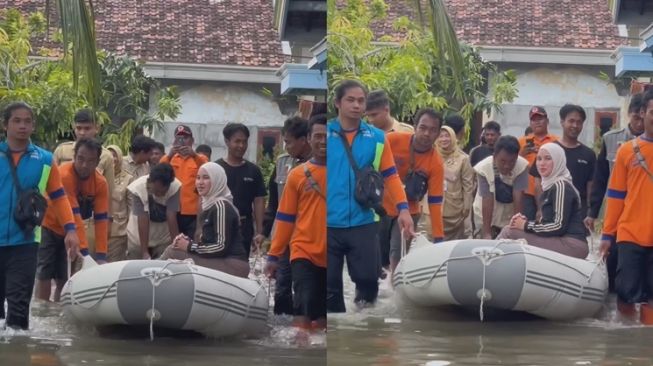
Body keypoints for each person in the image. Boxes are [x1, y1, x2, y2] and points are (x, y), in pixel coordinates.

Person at [327, 80, 413, 312]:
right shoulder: (324, 135)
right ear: (337, 103)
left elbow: (391, 176)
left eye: (361, 101)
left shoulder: (376, 137)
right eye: (350, 100)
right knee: (330, 287)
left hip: (364, 220)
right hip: (328, 224)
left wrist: (403, 209)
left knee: (367, 282)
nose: (356, 105)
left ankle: (364, 332)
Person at [0, 102, 80, 329]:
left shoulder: (44, 159)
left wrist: (70, 229)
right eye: (17, 121)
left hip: (25, 241)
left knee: (18, 308)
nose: (22, 126)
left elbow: (59, 196)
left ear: (33, 126)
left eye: (27, 121)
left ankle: (17, 354)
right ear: (5, 125)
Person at [265, 115, 327, 330]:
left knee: (321, 314)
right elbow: (281, 212)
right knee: (297, 301)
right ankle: (291, 342)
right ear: (310, 138)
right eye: (318, 136)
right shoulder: (291, 171)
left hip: (330, 252)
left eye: (327, 136)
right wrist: (273, 253)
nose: (323, 141)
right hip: (299, 247)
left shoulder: (344, 171)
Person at [600, 90, 653, 322]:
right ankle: (626, 346)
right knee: (626, 294)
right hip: (629, 235)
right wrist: (607, 235)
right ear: (643, 113)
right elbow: (616, 195)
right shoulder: (626, 151)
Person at [36, 138, 109, 301]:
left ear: (97, 162)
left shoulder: (101, 183)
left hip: (71, 233)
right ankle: (42, 310)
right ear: (74, 156)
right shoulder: (64, 174)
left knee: (64, 276)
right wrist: (85, 253)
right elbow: (73, 213)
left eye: (91, 161)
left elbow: (102, 219)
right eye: (81, 159)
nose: (84, 165)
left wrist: (101, 256)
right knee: (44, 272)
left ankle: (59, 310)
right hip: (49, 226)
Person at [587, 93, 645, 291]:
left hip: (642, 213)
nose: (639, 123)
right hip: (616, 212)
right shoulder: (612, 140)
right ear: (629, 115)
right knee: (614, 263)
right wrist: (592, 213)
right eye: (636, 118)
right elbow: (601, 178)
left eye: (642, 118)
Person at [497, 143, 588, 259]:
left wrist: (526, 226)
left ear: (558, 161)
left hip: (572, 244)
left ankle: (487, 259)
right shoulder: (549, 186)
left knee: (509, 232)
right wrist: (524, 223)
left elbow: (558, 225)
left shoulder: (560, 185)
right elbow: (547, 224)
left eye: (548, 158)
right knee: (513, 229)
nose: (542, 163)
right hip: (561, 240)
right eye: (539, 159)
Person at [162, 162, 249, 278]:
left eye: (206, 178)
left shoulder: (221, 205)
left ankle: (148, 274)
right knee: (174, 248)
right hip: (221, 260)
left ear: (217, 180)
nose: (200, 182)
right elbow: (209, 243)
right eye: (198, 178)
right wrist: (187, 242)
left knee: (173, 253)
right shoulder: (209, 204)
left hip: (233, 264)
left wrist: (189, 246)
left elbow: (220, 246)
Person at [384, 108, 445, 274]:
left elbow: (435, 202)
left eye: (433, 130)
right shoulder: (393, 140)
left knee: (397, 254)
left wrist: (439, 238)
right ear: (415, 126)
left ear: (438, 134)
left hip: (409, 213)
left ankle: (393, 293)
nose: (427, 134)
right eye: (423, 128)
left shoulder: (436, 163)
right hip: (380, 208)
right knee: (374, 256)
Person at [53, 109, 115, 256]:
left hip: (89, 221)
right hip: (57, 218)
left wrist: (109, 221)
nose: (82, 132)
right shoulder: (62, 151)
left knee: (83, 260)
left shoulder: (106, 156)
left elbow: (108, 193)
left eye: (87, 128)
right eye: (78, 128)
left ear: (97, 129)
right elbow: (51, 184)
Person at [529, 104, 596, 218]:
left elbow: (591, 185)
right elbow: (538, 181)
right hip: (551, 211)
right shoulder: (549, 150)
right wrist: (541, 209)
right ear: (562, 122)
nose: (575, 125)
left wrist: (590, 213)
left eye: (579, 122)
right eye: (571, 121)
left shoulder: (589, 154)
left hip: (578, 214)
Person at [217, 123, 267, 258]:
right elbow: (203, 198)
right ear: (227, 142)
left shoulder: (253, 170)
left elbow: (259, 200)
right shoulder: (216, 169)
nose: (241, 146)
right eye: (237, 141)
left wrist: (259, 231)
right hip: (219, 225)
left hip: (244, 228)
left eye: (244, 142)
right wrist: (200, 227)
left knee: (240, 266)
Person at [473, 136, 529, 239]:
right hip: (485, 215)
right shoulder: (483, 168)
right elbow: (487, 198)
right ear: (494, 157)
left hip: (508, 215)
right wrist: (487, 233)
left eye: (512, 161)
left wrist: (516, 229)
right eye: (503, 161)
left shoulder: (522, 166)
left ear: (517, 157)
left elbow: (518, 197)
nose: (507, 166)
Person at [159, 125, 208, 238]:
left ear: (192, 140)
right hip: (173, 211)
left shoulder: (200, 158)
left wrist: (194, 155)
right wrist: (170, 155)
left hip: (193, 212)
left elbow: (208, 170)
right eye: (179, 138)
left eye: (185, 138)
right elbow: (159, 172)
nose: (182, 141)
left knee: (192, 244)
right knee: (175, 244)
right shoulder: (171, 158)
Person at [126, 163, 181, 259]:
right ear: (151, 183)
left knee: (165, 262)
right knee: (137, 262)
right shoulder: (138, 188)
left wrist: (175, 247)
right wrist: (144, 252)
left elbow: (171, 215)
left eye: (164, 191)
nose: (161, 194)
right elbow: (143, 218)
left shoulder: (175, 186)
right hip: (139, 236)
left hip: (162, 236)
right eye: (157, 191)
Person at [519, 106, 558, 220]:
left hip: (549, 191)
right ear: (530, 123)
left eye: (540, 118)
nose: (537, 122)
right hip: (527, 192)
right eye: (534, 119)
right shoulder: (522, 142)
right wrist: (522, 153)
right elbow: (512, 166)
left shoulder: (556, 141)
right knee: (527, 226)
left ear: (547, 121)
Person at [436, 125, 475, 240]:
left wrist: (467, 206)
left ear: (453, 138)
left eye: (447, 136)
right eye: (441, 136)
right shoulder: (432, 155)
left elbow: (468, 185)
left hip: (454, 209)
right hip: (434, 207)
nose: (444, 139)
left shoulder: (463, 159)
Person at [106, 145, 135, 262]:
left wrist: (130, 233)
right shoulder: (98, 176)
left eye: (115, 155)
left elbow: (131, 208)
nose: (112, 159)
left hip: (118, 232)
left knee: (113, 266)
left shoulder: (128, 178)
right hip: (98, 230)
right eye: (109, 156)